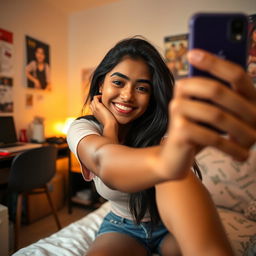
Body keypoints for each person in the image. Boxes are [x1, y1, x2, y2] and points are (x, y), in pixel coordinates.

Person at [67, 37, 256, 256]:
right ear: (101, 84)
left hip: (169, 225)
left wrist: (173, 159)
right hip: (122, 225)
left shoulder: (166, 128)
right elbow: (104, 161)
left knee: (175, 174)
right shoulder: (83, 128)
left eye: (141, 88)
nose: (127, 95)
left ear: (152, 94)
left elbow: (174, 173)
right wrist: (110, 125)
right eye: (118, 82)